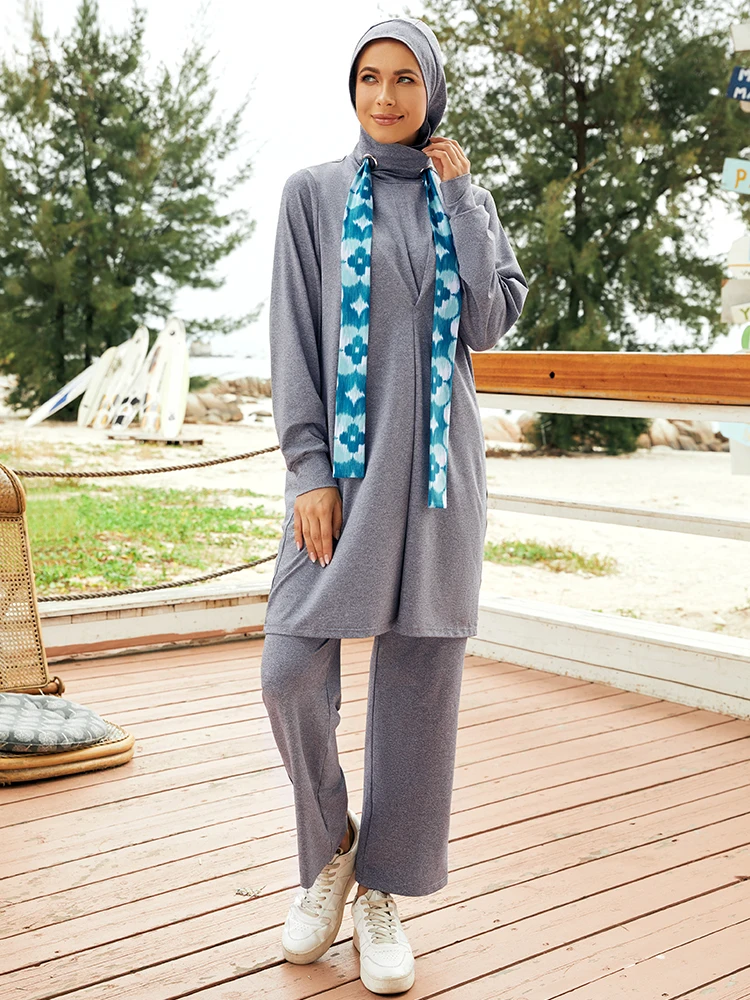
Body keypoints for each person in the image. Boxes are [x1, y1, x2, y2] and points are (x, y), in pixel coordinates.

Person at [260, 16, 528, 996]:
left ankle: (383, 888)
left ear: (432, 92)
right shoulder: (313, 195)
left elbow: (490, 322)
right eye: (370, 77)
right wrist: (308, 471)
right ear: (353, 88)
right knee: (289, 668)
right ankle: (333, 844)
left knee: (419, 688)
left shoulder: (464, 195)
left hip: (440, 483)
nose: (385, 95)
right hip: (343, 478)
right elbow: (294, 338)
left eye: (406, 79)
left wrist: (463, 199)